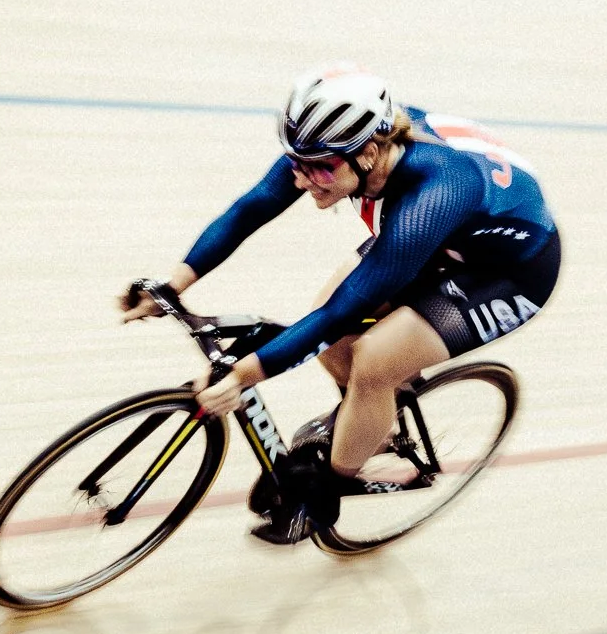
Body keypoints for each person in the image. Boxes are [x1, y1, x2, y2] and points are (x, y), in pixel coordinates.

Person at [118, 63, 562, 544]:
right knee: (331, 335)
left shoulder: (436, 188)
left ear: (370, 153)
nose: (305, 180)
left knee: (373, 356)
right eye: (297, 164)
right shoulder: (331, 145)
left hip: (508, 273)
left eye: (321, 169)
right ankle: (377, 428)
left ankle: (329, 486)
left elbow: (347, 310)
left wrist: (244, 376)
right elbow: (252, 207)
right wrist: (175, 283)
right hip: (437, 241)